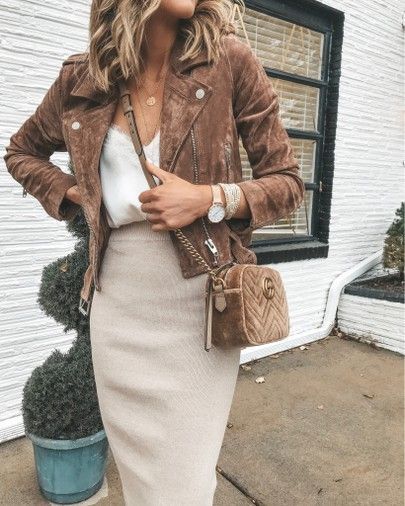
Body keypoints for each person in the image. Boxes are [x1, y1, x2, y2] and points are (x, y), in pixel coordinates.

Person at [4, 0, 305, 504]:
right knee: (143, 483)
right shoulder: (84, 78)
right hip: (118, 303)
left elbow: (287, 181)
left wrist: (209, 198)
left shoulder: (228, 60)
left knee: (182, 483)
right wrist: (76, 193)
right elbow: (21, 151)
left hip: (200, 305)